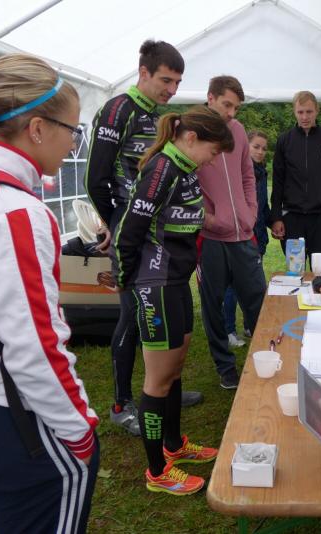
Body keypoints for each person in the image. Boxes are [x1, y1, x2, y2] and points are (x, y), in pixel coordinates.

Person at [0, 53, 99, 532]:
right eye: (73, 129)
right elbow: (35, 344)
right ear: (37, 129)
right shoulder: (15, 212)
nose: (73, 144)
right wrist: (79, 432)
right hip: (18, 417)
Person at [113, 106, 234, 496]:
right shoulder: (162, 169)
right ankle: (156, 471)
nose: (213, 160)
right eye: (213, 152)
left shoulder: (185, 168)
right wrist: (126, 282)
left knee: (175, 368)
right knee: (158, 379)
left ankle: (174, 444)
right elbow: (128, 231)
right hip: (157, 283)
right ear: (192, 138)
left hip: (177, 280)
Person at [85, 40, 201, 436]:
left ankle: (163, 387)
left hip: (151, 230)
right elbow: (95, 178)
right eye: (166, 80)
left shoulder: (155, 115)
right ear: (143, 72)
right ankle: (121, 404)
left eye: (177, 82)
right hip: (129, 228)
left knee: (154, 312)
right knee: (133, 313)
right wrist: (114, 223)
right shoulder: (119, 109)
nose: (172, 89)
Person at [196, 76, 267, 390]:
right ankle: (225, 368)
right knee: (212, 306)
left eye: (236, 107)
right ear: (210, 97)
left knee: (258, 301)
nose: (231, 113)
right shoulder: (191, 131)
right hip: (210, 239)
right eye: (227, 105)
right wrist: (209, 219)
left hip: (243, 235)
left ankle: (263, 358)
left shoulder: (237, 130)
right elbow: (185, 184)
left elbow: (247, 176)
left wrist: (250, 213)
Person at [270, 91, 321, 264]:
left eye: (309, 112)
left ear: (317, 110)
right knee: (295, 270)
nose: (304, 117)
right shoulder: (284, 141)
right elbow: (278, 181)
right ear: (294, 112)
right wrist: (276, 217)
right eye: (300, 112)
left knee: (320, 270)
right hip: (292, 217)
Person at [223, 130, 271, 348]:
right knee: (233, 286)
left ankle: (249, 325)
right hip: (240, 237)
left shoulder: (261, 172)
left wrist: (273, 223)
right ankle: (228, 330)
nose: (260, 152)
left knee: (252, 286)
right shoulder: (238, 171)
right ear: (246, 146)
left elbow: (262, 206)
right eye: (256, 147)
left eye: (264, 148)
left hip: (257, 237)